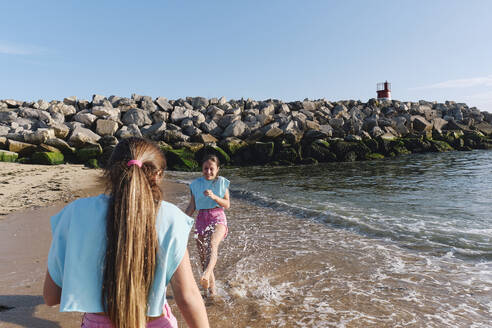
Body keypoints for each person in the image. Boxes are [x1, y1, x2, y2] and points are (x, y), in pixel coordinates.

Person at [43, 137, 209, 328]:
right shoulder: (172, 217)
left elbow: (51, 296)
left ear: (109, 172)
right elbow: (187, 298)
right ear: (158, 175)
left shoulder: (75, 213)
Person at [185, 154, 230, 297]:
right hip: (201, 219)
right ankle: (211, 291)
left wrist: (215, 197)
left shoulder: (222, 183)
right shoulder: (195, 185)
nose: (208, 172)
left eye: (212, 169)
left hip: (217, 216)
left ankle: (206, 273)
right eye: (205, 168)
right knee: (203, 257)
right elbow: (192, 207)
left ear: (217, 169)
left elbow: (227, 204)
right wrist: (180, 221)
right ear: (202, 168)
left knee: (212, 244)